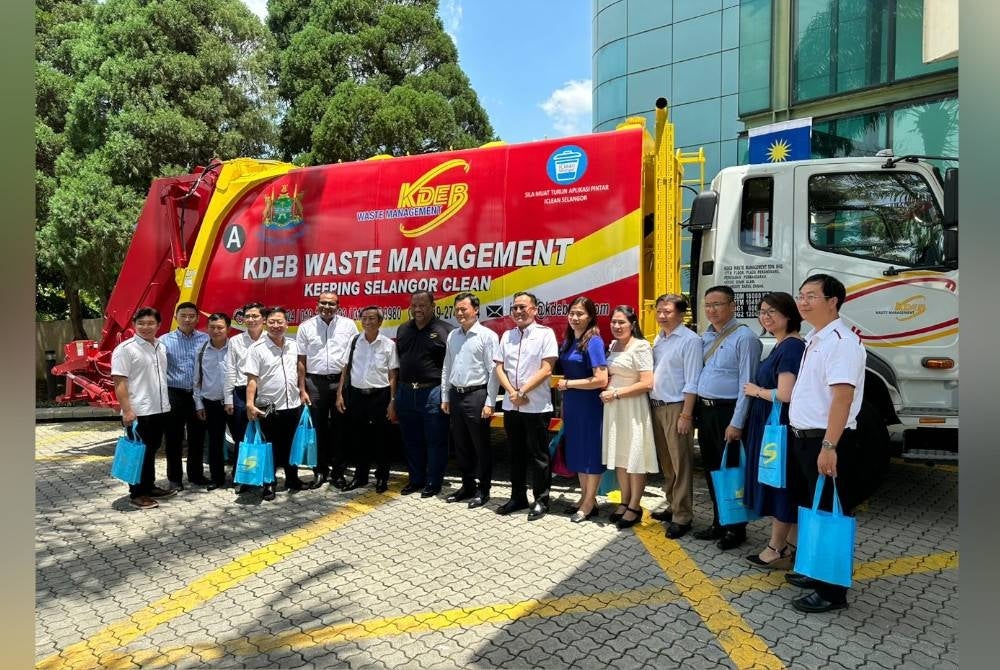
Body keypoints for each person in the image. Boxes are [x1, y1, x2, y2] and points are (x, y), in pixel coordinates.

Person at [784, 274, 866, 613]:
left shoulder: (841, 341)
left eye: (811, 296)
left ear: (833, 301)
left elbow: (842, 399)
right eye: (801, 296)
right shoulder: (816, 338)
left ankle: (832, 593)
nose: (803, 302)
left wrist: (829, 446)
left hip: (826, 440)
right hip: (806, 439)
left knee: (832, 512)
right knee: (815, 508)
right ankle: (817, 572)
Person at [694, 285, 762, 550]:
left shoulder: (745, 338)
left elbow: (748, 383)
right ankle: (719, 521)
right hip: (707, 412)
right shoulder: (705, 337)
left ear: (732, 306)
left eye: (718, 304)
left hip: (728, 413)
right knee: (712, 470)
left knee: (732, 472)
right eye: (708, 305)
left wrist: (737, 422)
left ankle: (736, 529)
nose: (712, 310)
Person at [741, 293, 805, 569]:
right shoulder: (782, 344)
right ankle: (792, 547)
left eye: (772, 312)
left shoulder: (791, 347)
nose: (765, 317)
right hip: (770, 425)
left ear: (788, 314)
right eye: (762, 311)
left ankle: (775, 548)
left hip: (777, 428)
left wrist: (756, 391)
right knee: (781, 485)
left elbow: (786, 393)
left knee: (780, 487)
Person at [494, 291, 558, 520]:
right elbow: (499, 367)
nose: (518, 311)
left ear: (535, 310)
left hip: (536, 406)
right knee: (515, 454)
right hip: (512, 406)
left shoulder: (545, 334)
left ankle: (541, 500)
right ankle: (517, 497)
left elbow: (547, 369)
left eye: (523, 307)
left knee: (539, 455)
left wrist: (523, 391)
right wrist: (512, 392)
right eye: (515, 308)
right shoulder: (507, 336)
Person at [110, 307, 177, 509]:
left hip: (160, 409)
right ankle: (137, 493)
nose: (146, 327)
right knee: (139, 452)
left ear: (158, 325)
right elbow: (119, 382)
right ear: (134, 325)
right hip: (139, 412)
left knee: (152, 450)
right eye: (141, 323)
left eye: (150, 323)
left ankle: (149, 486)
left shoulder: (160, 346)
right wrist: (127, 410)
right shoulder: (126, 349)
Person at [649, 294, 702, 539]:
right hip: (657, 406)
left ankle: (683, 517)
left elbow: (692, 381)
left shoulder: (689, 341)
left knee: (681, 464)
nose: (661, 316)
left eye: (667, 311)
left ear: (681, 314)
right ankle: (671, 505)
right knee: (667, 463)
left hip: (676, 407)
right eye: (659, 311)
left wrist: (686, 414)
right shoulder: (659, 339)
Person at [441, 292, 500, 509]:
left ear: (476, 310)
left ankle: (483, 490)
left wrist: (490, 402)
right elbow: (447, 366)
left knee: (480, 446)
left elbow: (493, 371)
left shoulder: (487, 336)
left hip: (477, 395)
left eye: (464, 309)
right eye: (457, 310)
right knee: (461, 445)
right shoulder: (453, 335)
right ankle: (467, 486)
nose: (459, 313)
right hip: (456, 395)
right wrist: (445, 395)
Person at [601, 305, 656, 530]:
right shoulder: (613, 345)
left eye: (621, 322)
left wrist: (615, 393)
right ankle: (624, 501)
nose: (616, 326)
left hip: (632, 406)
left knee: (635, 458)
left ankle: (635, 506)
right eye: (614, 322)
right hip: (614, 408)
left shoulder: (641, 346)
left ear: (632, 324)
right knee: (621, 457)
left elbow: (647, 382)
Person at [297, 292, 359, 490]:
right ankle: (320, 471)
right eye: (323, 302)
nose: (327, 306)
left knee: (341, 430)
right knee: (317, 430)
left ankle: (338, 473)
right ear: (316, 304)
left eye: (331, 303)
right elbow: (301, 360)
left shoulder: (348, 326)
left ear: (338, 306)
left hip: (340, 382)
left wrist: (342, 388)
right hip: (314, 384)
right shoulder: (305, 327)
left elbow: (349, 360)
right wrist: (302, 388)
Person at [395, 291, 455, 498]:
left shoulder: (446, 331)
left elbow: (451, 366)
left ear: (433, 306)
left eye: (422, 305)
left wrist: (446, 395)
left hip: (432, 391)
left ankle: (433, 482)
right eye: (414, 305)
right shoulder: (403, 329)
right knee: (411, 440)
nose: (418, 309)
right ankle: (416, 479)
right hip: (406, 391)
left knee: (435, 440)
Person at [554, 296, 608, 523]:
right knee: (577, 451)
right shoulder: (569, 340)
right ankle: (586, 498)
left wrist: (569, 384)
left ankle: (588, 503)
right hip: (573, 404)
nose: (575, 318)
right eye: (572, 313)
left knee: (590, 453)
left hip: (589, 405)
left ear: (590, 317)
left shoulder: (593, 341)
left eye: (581, 314)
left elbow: (601, 379)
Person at [245, 307, 307, 501]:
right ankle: (269, 483)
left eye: (280, 322)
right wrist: (249, 403)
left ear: (287, 324)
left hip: (293, 404)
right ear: (265, 323)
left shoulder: (293, 345)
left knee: (291, 445)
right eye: (272, 322)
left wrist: (303, 391)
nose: (276, 326)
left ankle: (292, 479)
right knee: (269, 447)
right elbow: (252, 379)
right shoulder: (257, 349)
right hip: (269, 407)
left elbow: (300, 370)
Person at [336, 306, 398, 493]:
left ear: (380, 322)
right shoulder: (354, 341)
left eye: (372, 318)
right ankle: (360, 477)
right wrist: (339, 394)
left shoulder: (388, 344)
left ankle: (382, 478)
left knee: (382, 439)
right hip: (357, 395)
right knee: (358, 438)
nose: (368, 322)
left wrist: (392, 401)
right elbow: (345, 369)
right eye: (365, 318)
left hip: (380, 396)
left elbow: (392, 374)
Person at [161, 302, 210, 489]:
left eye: (191, 316)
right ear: (176, 317)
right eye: (183, 316)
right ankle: (174, 479)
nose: (187, 319)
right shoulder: (164, 341)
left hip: (198, 395)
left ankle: (196, 475)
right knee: (174, 438)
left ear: (197, 318)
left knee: (197, 437)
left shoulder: (205, 339)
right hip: (174, 394)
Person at [224, 302, 266, 491]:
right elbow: (230, 370)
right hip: (240, 393)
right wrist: (228, 398)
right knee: (242, 437)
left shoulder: (270, 339)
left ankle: (264, 475)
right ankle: (242, 476)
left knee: (265, 435)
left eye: (255, 316)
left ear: (263, 319)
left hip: (264, 393)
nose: (251, 319)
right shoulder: (235, 341)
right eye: (247, 316)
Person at [193, 312, 235, 490]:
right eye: (212, 327)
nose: (216, 331)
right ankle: (217, 478)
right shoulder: (201, 351)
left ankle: (240, 477)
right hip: (211, 402)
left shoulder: (235, 348)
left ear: (228, 328)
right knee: (215, 442)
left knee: (240, 440)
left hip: (233, 403)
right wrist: (199, 404)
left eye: (220, 327)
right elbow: (197, 381)